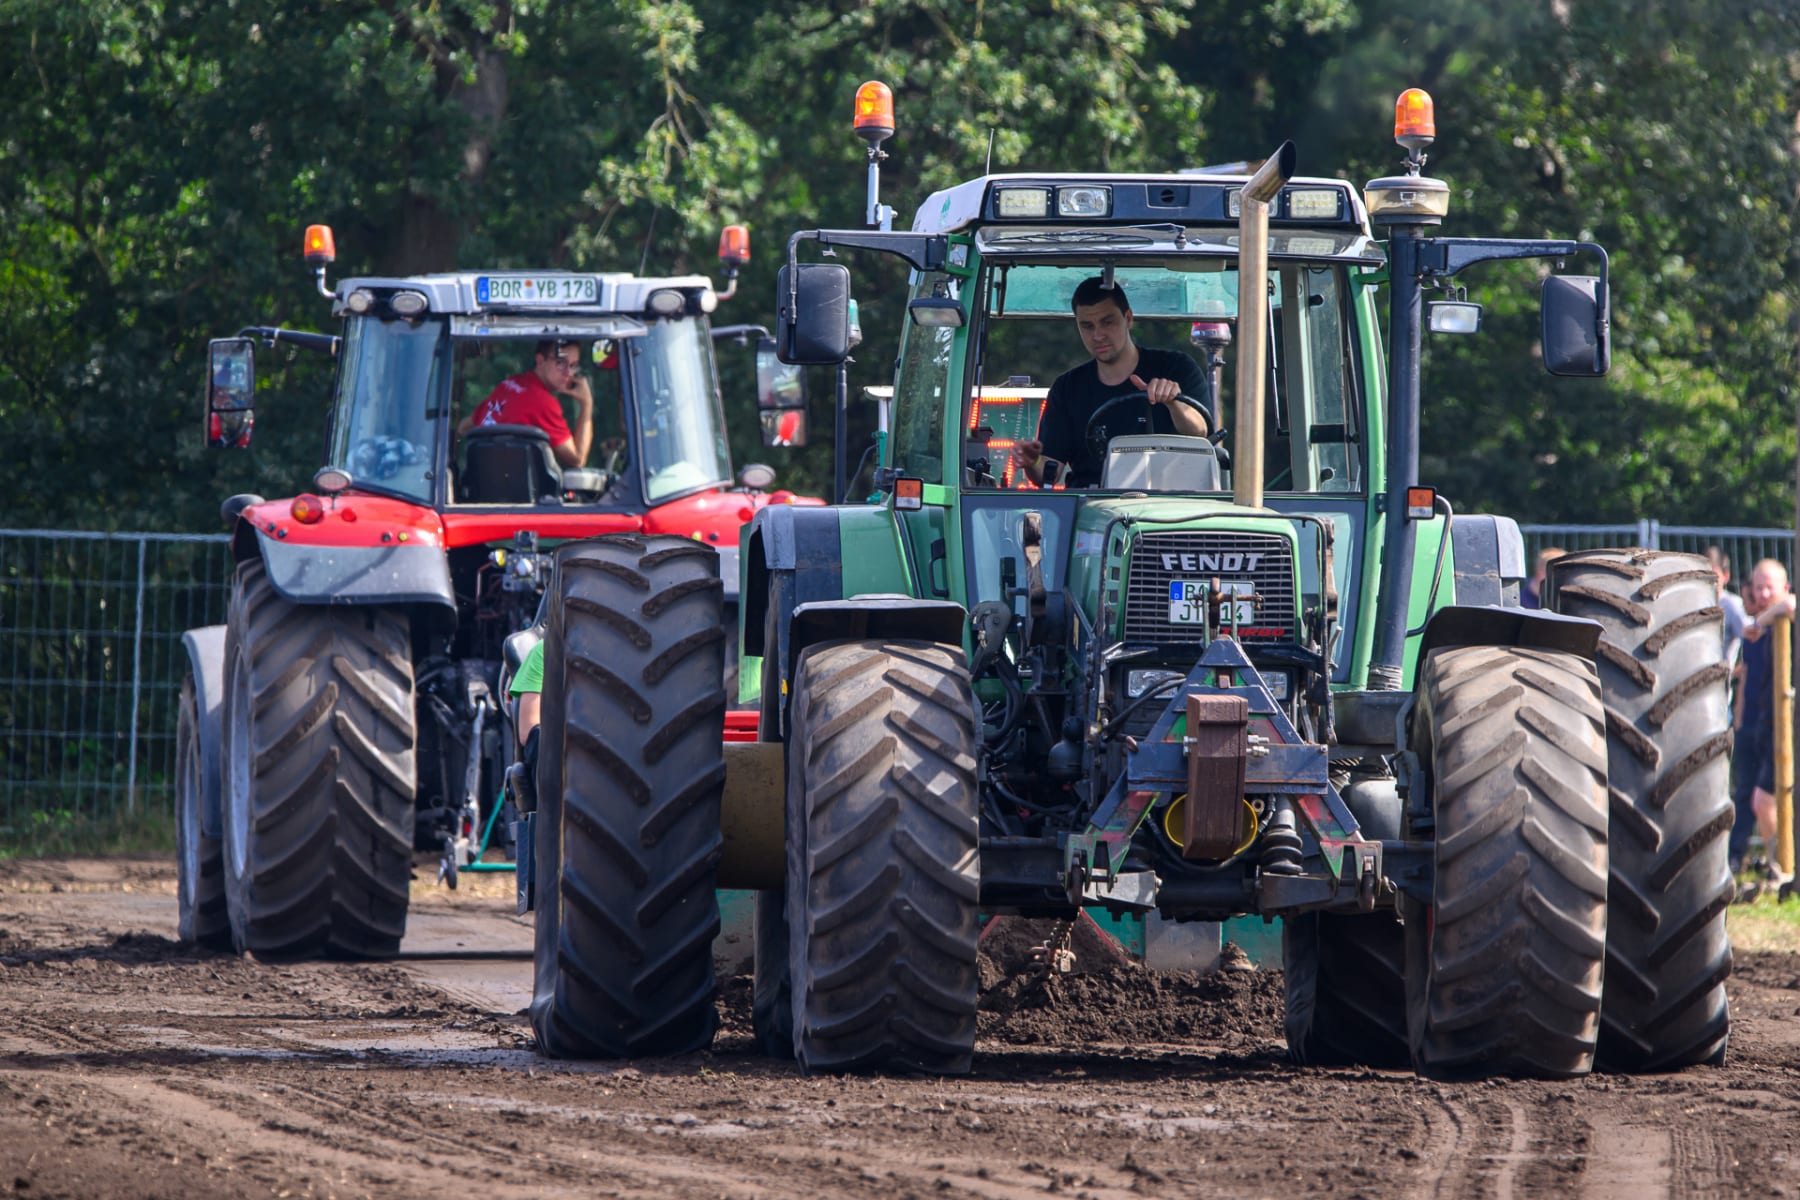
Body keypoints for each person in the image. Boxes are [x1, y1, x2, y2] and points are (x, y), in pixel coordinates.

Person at [1012, 277, 1211, 488]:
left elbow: (1201, 433)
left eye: (1107, 322)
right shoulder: (1067, 388)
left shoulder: (1176, 368)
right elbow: (1048, 473)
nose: (1098, 335)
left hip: (1169, 498)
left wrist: (1174, 403)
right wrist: (1032, 461)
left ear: (1128, 318)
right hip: (1091, 502)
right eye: (1087, 326)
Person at [1730, 558, 1795, 885]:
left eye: (1770, 587)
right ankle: (1777, 865)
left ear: (1785, 585)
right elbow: (1744, 677)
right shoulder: (1761, 629)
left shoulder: (1783, 620)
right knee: (1754, 798)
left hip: (1787, 726)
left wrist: (1759, 621)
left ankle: (1782, 867)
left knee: (1763, 799)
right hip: (1761, 724)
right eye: (1759, 587)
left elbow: (1792, 605)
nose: (1764, 593)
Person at [457, 340, 594, 468]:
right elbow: (578, 459)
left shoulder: (508, 385)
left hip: (479, 478)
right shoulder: (544, 402)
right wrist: (587, 403)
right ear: (540, 361)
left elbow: (463, 427)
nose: (568, 373)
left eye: (573, 365)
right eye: (560, 363)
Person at [1707, 546, 1748, 667]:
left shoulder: (1731, 605)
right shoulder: (1693, 603)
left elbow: (1749, 637)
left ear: (1726, 576)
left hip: (1719, 676)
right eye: (1704, 575)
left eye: (1714, 576)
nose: (1709, 581)